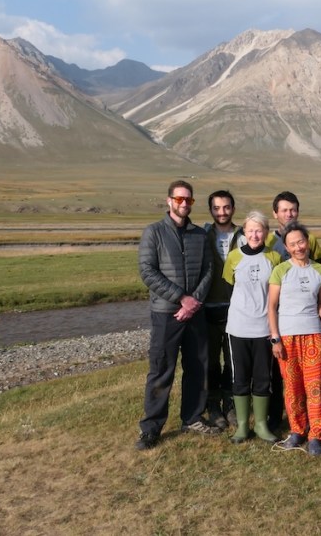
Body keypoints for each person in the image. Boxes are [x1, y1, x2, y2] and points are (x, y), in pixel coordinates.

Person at [136, 180, 221, 451]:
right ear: (169, 200)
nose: (184, 204)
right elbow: (148, 271)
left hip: (195, 313)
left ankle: (192, 418)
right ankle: (151, 428)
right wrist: (181, 298)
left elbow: (208, 269)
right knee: (162, 369)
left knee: (197, 367)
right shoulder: (154, 232)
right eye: (179, 199)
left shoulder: (199, 235)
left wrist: (194, 301)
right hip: (166, 313)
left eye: (188, 200)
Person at [267, 222, 321, 456]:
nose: (298, 247)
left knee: (315, 387)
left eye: (301, 242)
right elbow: (271, 307)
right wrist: (275, 338)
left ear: (308, 242)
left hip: (314, 335)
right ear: (286, 247)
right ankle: (297, 430)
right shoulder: (280, 270)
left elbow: (320, 301)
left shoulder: (320, 271)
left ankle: (316, 434)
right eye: (292, 244)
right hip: (287, 337)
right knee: (293, 387)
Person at [224, 211, 283, 444]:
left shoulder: (274, 257)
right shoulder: (233, 257)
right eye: (250, 230)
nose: (255, 235)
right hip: (238, 327)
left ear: (266, 232)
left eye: (259, 230)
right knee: (240, 377)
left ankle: (260, 424)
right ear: (244, 232)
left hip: (264, 328)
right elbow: (229, 285)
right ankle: (242, 426)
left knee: (262, 377)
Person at [203, 190, 241, 429]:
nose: (222, 212)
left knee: (232, 360)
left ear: (233, 209)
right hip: (207, 307)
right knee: (210, 361)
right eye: (217, 208)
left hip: (236, 308)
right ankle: (213, 406)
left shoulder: (244, 235)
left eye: (226, 207)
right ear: (211, 210)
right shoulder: (202, 235)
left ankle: (230, 404)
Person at [265, 191, 321, 262]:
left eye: (292, 210)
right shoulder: (268, 241)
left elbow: (318, 265)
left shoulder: (309, 238)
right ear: (275, 214)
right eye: (284, 210)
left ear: (298, 212)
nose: (289, 214)